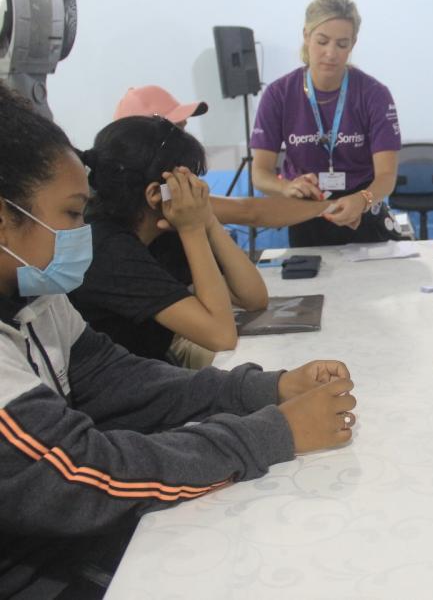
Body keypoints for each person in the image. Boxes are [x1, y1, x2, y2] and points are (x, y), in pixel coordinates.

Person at [0, 83, 357, 598]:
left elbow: (117, 376)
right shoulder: (100, 255)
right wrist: (274, 431)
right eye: (73, 214)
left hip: (65, 545)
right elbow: (81, 474)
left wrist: (265, 389)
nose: (82, 230)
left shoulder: (36, 297)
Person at [69, 116, 268, 368]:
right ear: (155, 193)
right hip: (123, 384)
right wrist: (193, 229)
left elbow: (253, 298)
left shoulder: (160, 231)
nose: (199, 189)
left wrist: (207, 219)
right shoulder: (108, 250)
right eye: (190, 182)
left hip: (155, 370)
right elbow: (221, 336)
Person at [250, 0, 402, 247]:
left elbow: (387, 176)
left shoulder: (374, 94)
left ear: (353, 43)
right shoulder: (279, 94)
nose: (331, 53)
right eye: (322, 41)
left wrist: (363, 199)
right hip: (305, 213)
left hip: (362, 212)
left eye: (342, 44)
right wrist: (286, 187)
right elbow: (260, 173)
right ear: (306, 36)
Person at [114, 84, 337, 228]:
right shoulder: (160, 196)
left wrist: (329, 207)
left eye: (183, 128)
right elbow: (249, 213)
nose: (184, 140)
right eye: (175, 131)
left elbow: (249, 210)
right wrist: (332, 206)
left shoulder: (169, 190)